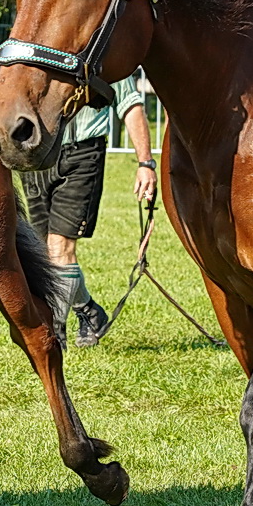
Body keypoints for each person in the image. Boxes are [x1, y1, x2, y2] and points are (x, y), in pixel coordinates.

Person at [19, 75, 157, 346]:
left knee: (61, 248)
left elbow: (130, 104)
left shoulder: (107, 53)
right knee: (45, 255)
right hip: (37, 153)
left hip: (83, 152)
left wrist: (146, 164)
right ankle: (90, 311)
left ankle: (54, 332)